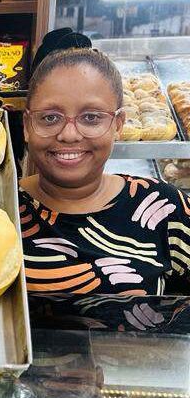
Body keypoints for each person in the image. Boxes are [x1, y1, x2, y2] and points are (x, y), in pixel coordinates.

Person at [20, 33, 190, 296]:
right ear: (27, 126)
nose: (69, 134)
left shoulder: (165, 208)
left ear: (118, 125)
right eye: (50, 117)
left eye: (91, 117)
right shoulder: (1, 210)